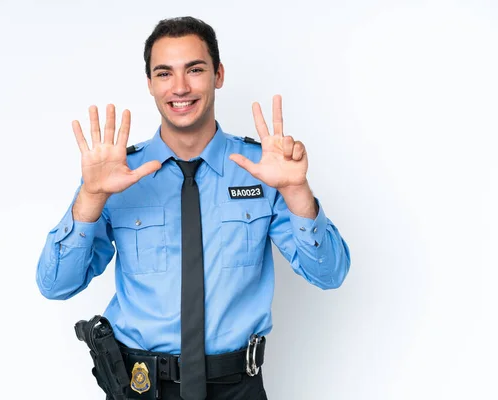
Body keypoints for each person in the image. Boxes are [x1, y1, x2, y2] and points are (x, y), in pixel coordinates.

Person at [36, 16, 351, 400]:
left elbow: (330, 275)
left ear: (218, 75)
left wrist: (297, 190)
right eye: (164, 73)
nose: (180, 87)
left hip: (237, 388)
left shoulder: (262, 170)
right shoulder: (117, 175)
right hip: (140, 388)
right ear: (150, 83)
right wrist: (89, 199)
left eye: (195, 70)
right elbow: (56, 286)